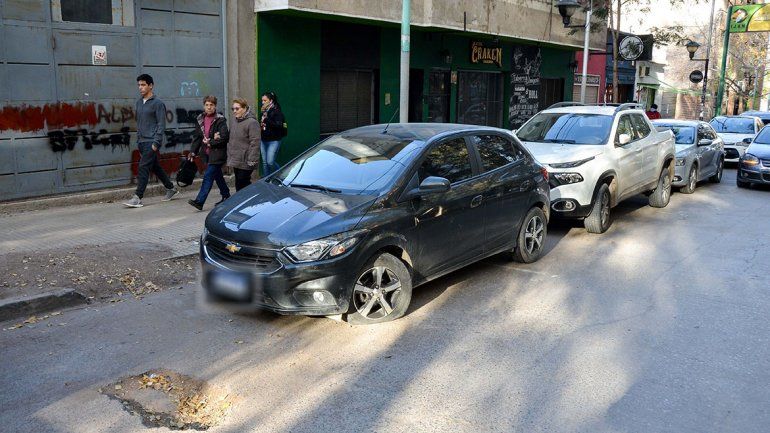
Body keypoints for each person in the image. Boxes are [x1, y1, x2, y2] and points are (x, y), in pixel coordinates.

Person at [125, 74, 178, 208]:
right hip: (142, 142)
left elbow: (161, 124)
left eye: (143, 85)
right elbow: (140, 123)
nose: (140, 87)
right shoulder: (139, 103)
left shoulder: (158, 103)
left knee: (143, 167)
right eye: (139, 85)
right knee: (155, 167)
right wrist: (138, 139)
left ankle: (138, 197)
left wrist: (156, 142)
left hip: (152, 141)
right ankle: (171, 188)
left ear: (150, 86)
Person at [187, 95, 230, 210]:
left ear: (215, 106)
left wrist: (211, 142)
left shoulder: (220, 120)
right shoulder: (200, 119)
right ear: (204, 106)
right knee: (217, 175)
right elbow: (197, 137)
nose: (209, 107)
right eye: (207, 105)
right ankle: (226, 195)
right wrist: (192, 152)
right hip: (206, 154)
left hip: (218, 153)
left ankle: (199, 201)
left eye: (211, 105)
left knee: (208, 176)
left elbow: (224, 137)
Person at [227, 98, 260, 191]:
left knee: (243, 183)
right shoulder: (235, 121)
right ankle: (240, 199)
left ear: (245, 108)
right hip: (236, 158)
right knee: (238, 183)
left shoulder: (252, 122)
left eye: (237, 108)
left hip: (246, 160)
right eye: (233, 109)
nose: (234, 111)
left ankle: (252, 198)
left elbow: (255, 142)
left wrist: (252, 159)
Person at [259, 91, 286, 176]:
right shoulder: (263, 111)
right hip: (263, 140)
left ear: (270, 101)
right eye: (262, 100)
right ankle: (266, 179)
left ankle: (281, 175)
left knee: (270, 162)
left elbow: (278, 125)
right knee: (265, 163)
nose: (262, 102)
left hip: (274, 140)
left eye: (265, 100)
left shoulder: (277, 111)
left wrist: (266, 119)